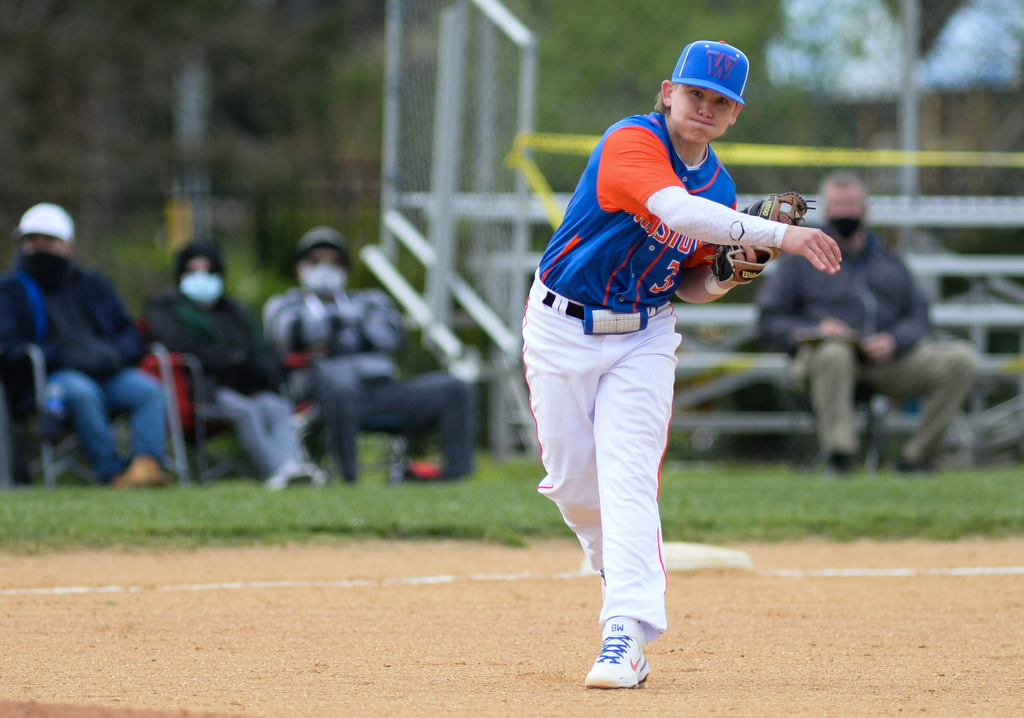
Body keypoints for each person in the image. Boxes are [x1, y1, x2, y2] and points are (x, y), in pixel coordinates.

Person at [521, 40, 842, 689]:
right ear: (668, 92)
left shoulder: (718, 187)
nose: (706, 108)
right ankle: (620, 572)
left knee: (629, 479)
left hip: (644, 337)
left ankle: (625, 636)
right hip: (562, 327)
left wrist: (728, 273)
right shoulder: (630, 142)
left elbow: (687, 285)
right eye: (696, 94)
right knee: (574, 486)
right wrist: (781, 236)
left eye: (720, 102)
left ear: (734, 117)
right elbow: (673, 210)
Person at [757, 170, 980, 474]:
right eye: (837, 204)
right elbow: (770, 318)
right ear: (826, 209)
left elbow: (919, 314)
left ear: (865, 209)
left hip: (884, 361)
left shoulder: (889, 259)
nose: (845, 211)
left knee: (961, 360)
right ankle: (841, 459)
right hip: (821, 360)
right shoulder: (800, 259)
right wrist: (816, 330)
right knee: (834, 352)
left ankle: (915, 460)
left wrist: (895, 340)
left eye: (851, 204)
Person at [262, 227, 476, 483]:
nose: (325, 268)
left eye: (333, 262)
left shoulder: (370, 299)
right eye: (316, 261)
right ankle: (349, 478)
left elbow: (394, 333)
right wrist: (360, 331)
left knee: (455, 388)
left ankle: (455, 475)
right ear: (300, 268)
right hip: (321, 395)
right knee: (339, 381)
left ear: (345, 269)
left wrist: (329, 340)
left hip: (382, 390)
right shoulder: (283, 303)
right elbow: (293, 331)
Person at [0, 203, 173, 487]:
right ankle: (114, 474)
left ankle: (145, 466)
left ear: (68, 244)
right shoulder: (10, 290)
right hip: (53, 377)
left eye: (49, 241)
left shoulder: (93, 283)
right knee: (83, 392)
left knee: (149, 392)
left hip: (106, 369)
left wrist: (115, 354)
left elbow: (128, 331)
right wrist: (61, 356)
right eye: (32, 241)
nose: (40, 248)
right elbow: (11, 346)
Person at [146, 239, 327, 489]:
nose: (202, 277)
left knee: (276, 406)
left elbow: (259, 349)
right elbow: (178, 344)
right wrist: (229, 359)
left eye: (209, 271)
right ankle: (276, 472)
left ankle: (292, 465)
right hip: (203, 388)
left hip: (245, 384)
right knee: (246, 411)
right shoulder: (166, 306)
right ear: (180, 274)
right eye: (193, 271)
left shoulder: (234, 310)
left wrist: (258, 367)